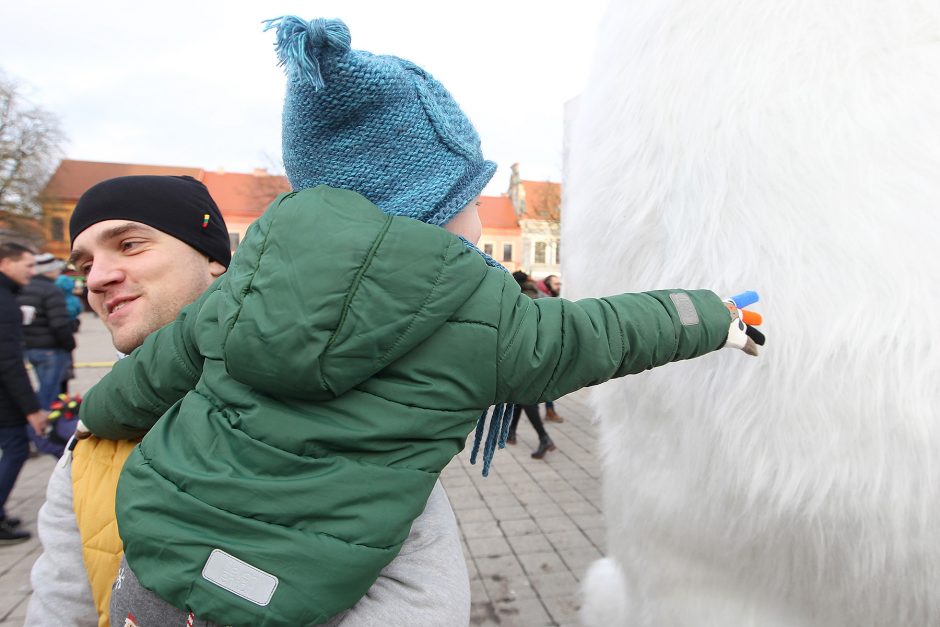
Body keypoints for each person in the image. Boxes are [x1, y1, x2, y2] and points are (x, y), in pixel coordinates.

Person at [78, 16, 763, 627]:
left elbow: (152, 375)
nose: (477, 213)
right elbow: (605, 332)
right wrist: (715, 313)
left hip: (152, 553)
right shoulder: (482, 311)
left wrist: (94, 413)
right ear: (434, 203)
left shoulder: (245, 283)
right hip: (280, 596)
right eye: (470, 194)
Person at [26, 176, 470, 626]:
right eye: (84, 267)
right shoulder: (87, 446)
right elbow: (59, 607)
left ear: (216, 261)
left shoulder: (329, 398)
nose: (98, 278)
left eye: (130, 244)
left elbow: (424, 604)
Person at [0, 242, 47, 544]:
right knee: (16, 445)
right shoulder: (5, 302)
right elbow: (8, 360)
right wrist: (32, 409)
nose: (32, 272)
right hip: (5, 393)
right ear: (5, 263)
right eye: (27, 265)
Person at [18, 252, 76, 410]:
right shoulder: (51, 290)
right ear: (49, 271)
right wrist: (69, 343)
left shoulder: (22, 288)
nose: (58, 272)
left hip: (29, 346)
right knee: (50, 390)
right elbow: (59, 323)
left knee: (42, 384)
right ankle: (46, 424)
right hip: (50, 347)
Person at [506, 271, 555, 458]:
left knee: (525, 399)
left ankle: (544, 438)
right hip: (539, 351)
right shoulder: (539, 295)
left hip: (523, 353)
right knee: (519, 397)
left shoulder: (517, 297)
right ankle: (511, 432)